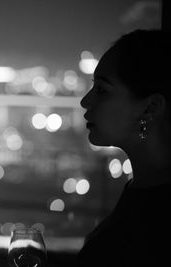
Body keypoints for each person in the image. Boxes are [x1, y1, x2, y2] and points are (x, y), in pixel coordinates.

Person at [77, 29, 171, 266]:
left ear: (150, 108)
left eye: (101, 90)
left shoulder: (159, 219)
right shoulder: (142, 189)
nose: (85, 101)